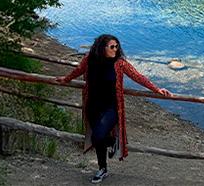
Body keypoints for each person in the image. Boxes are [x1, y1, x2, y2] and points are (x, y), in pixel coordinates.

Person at [55, 34, 172, 184]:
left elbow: (138, 76)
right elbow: (78, 71)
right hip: (92, 106)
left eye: (117, 46)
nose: (115, 49)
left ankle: (113, 141)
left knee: (98, 136)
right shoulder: (89, 59)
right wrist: (65, 79)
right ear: (102, 47)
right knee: (98, 139)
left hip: (111, 108)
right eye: (112, 47)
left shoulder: (120, 63)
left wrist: (156, 89)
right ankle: (102, 168)